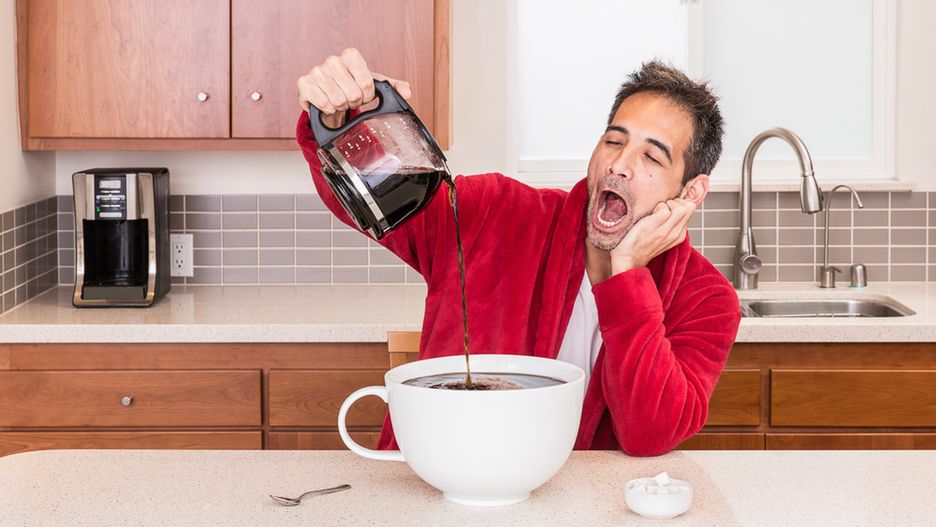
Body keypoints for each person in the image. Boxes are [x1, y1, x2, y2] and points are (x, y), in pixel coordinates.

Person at [296, 48, 741, 456]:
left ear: (691, 192)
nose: (619, 165)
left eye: (652, 157)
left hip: (584, 500)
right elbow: (379, 199)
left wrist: (626, 273)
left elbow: (649, 434)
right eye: (614, 141)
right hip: (442, 480)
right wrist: (340, 121)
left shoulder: (707, 300)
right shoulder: (496, 212)